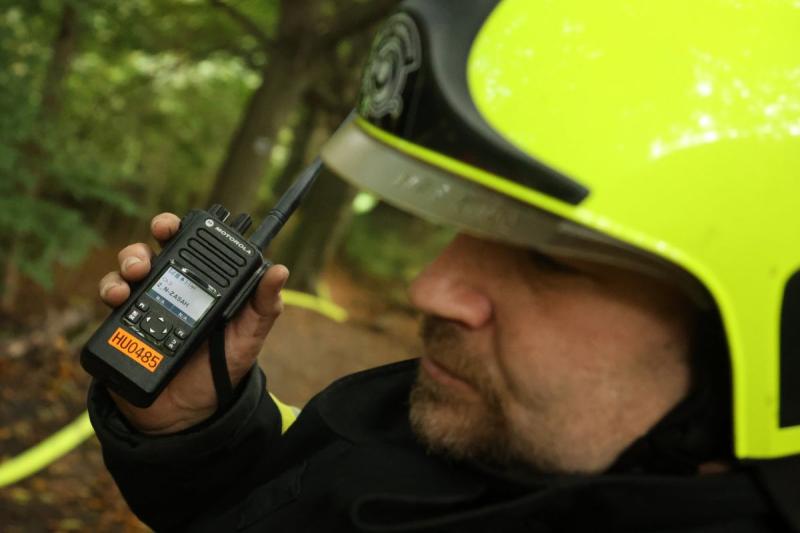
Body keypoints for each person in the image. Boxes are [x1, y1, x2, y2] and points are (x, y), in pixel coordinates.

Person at [88, 0, 800, 531]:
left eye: (548, 260)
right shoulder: (429, 423)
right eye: (469, 227)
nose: (428, 287)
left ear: (770, 348)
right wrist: (196, 433)